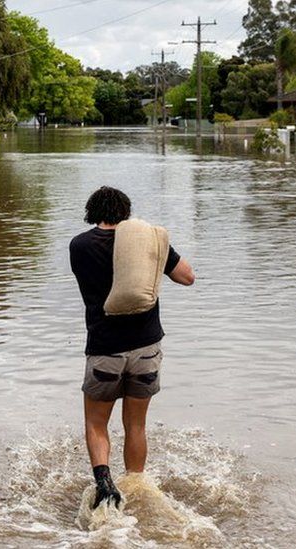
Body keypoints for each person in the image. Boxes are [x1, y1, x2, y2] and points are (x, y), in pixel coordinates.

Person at [69, 186, 195, 510]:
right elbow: (187, 278)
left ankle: (104, 484)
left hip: (104, 350)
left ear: (91, 213)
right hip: (146, 349)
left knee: (97, 423)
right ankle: (136, 487)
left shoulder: (80, 245)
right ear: (126, 213)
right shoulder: (149, 242)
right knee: (136, 425)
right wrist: (156, 253)